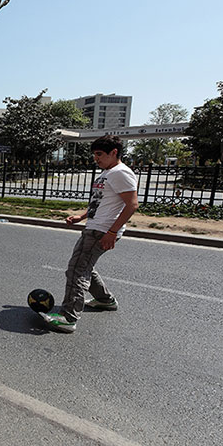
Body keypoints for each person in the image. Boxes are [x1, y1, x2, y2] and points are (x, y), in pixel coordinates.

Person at [40, 135, 138, 334]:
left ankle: (68, 317)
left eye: (100, 154)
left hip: (102, 230)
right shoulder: (108, 173)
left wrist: (111, 232)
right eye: (94, 154)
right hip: (95, 226)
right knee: (85, 267)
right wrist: (82, 216)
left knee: (77, 270)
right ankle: (105, 300)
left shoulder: (120, 173)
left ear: (114, 153)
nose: (96, 158)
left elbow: (132, 205)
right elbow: (100, 203)